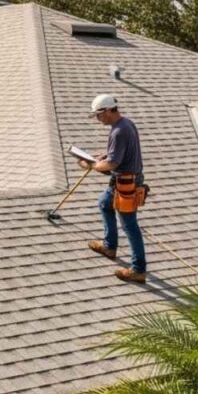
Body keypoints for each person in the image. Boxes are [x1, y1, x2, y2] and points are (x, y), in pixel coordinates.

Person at [78, 94, 147, 283]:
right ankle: (109, 246)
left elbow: (112, 163)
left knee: (129, 226)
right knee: (104, 203)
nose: (98, 120)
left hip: (126, 186)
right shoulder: (125, 124)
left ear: (107, 111)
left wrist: (91, 165)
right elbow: (114, 154)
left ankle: (138, 269)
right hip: (123, 182)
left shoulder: (119, 131)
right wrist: (99, 156)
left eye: (98, 116)